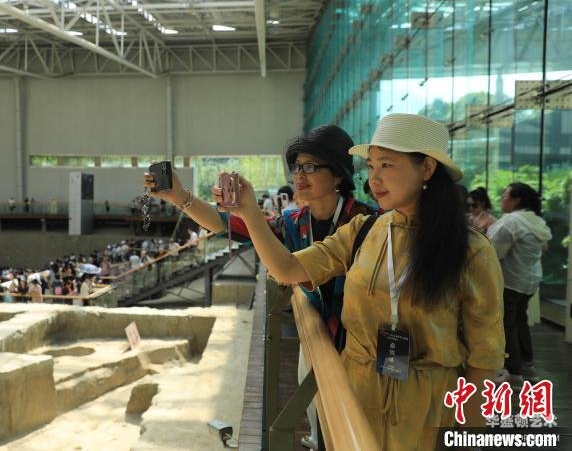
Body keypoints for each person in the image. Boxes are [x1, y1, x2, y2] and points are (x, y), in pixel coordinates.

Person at [215, 114, 505, 449]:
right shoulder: (364, 230)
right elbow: (288, 269)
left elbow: (485, 357)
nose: (374, 179)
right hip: (355, 394)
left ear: (426, 168)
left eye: (387, 165)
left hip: (428, 409)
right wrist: (249, 212)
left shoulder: (470, 250)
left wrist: (467, 434)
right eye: (371, 166)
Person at [144, 124, 375, 450]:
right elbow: (226, 224)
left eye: (310, 166)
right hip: (317, 341)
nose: (299, 175)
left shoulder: (367, 222)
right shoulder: (295, 222)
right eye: (296, 167)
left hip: (363, 353)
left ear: (338, 174)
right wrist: (179, 196)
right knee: (321, 420)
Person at [487, 183, 551, 386]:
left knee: (508, 325)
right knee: (521, 322)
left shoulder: (512, 221)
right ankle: (527, 366)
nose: (502, 198)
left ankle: (514, 372)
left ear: (516, 200)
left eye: (505, 195)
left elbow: (492, 251)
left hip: (511, 281)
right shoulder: (536, 220)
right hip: (529, 280)